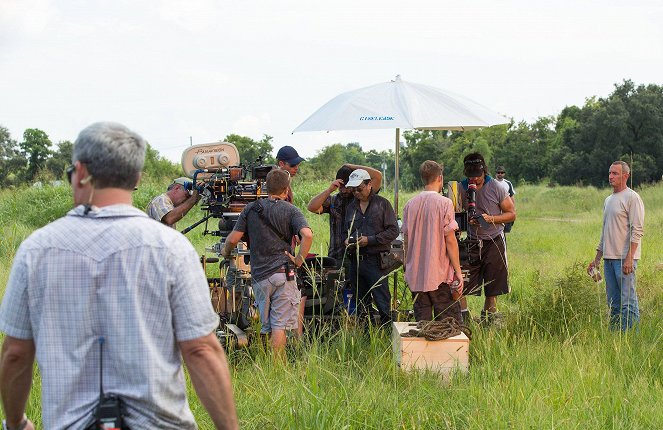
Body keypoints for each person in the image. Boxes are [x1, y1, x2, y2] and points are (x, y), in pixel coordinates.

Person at [0, 122, 238, 429]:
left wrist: (16, 422)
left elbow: (16, 353)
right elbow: (201, 350)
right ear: (136, 177)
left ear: (81, 170)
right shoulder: (172, 249)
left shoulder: (36, 250)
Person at [221, 169, 313, 355]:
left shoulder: (251, 209)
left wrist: (225, 252)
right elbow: (307, 235)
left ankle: (267, 362)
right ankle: (278, 368)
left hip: (260, 277)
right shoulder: (292, 210)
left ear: (265, 187)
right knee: (279, 325)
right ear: (286, 189)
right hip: (283, 273)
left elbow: (232, 239)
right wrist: (298, 260)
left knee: (266, 325)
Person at [402, 160, 463, 322]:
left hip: (415, 274)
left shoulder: (410, 205)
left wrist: (407, 267)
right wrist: (458, 271)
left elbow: (406, 241)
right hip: (439, 275)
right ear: (440, 178)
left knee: (424, 326)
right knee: (450, 325)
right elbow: (450, 241)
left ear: (423, 178)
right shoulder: (445, 203)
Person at [459, 153, 516, 325]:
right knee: (460, 283)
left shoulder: (497, 187)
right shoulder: (461, 188)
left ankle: (489, 321)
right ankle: (464, 318)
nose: (475, 180)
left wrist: (491, 218)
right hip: (471, 240)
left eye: (478, 175)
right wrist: (465, 219)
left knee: (493, 287)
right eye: (471, 176)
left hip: (494, 240)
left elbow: (511, 214)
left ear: (484, 171)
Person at [587, 161, 644, 331]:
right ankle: (614, 336)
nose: (611, 176)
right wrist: (597, 259)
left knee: (628, 301)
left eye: (615, 173)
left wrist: (630, 258)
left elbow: (638, 230)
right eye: (610, 173)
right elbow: (605, 232)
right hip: (608, 260)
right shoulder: (608, 200)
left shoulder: (632, 197)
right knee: (613, 302)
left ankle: (630, 336)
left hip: (624, 260)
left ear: (626, 176)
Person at [343, 169, 399, 326]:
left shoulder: (382, 204)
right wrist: (347, 240)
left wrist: (371, 240)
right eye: (353, 190)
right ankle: (367, 337)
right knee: (360, 303)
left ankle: (388, 334)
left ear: (369, 185)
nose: (356, 193)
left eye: (359, 189)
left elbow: (393, 231)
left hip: (376, 261)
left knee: (382, 301)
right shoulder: (351, 208)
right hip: (356, 261)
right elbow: (345, 232)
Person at [307, 164, 383, 267]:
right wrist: (329, 190)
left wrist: (349, 166)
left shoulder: (363, 198)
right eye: (340, 187)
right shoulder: (333, 200)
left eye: (347, 187)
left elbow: (377, 176)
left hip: (358, 257)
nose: (343, 190)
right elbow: (311, 207)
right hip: (336, 256)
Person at [494, 166, 515, 233]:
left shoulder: (508, 183)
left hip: (505, 210)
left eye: (502, 172)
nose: (500, 174)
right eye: (498, 172)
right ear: (496, 173)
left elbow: (511, 197)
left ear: (504, 174)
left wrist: (513, 210)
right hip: (495, 210)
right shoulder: (491, 183)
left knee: (505, 231)